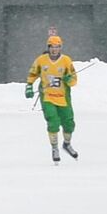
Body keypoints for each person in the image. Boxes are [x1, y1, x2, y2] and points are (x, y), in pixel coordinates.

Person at [25, 35, 79, 164]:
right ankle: (54, 148)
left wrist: (68, 80)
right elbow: (33, 73)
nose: (55, 49)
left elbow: (74, 80)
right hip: (48, 97)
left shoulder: (66, 61)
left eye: (57, 47)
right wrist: (29, 86)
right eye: (52, 47)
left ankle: (67, 144)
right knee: (53, 121)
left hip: (63, 98)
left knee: (69, 123)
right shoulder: (41, 60)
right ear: (48, 47)